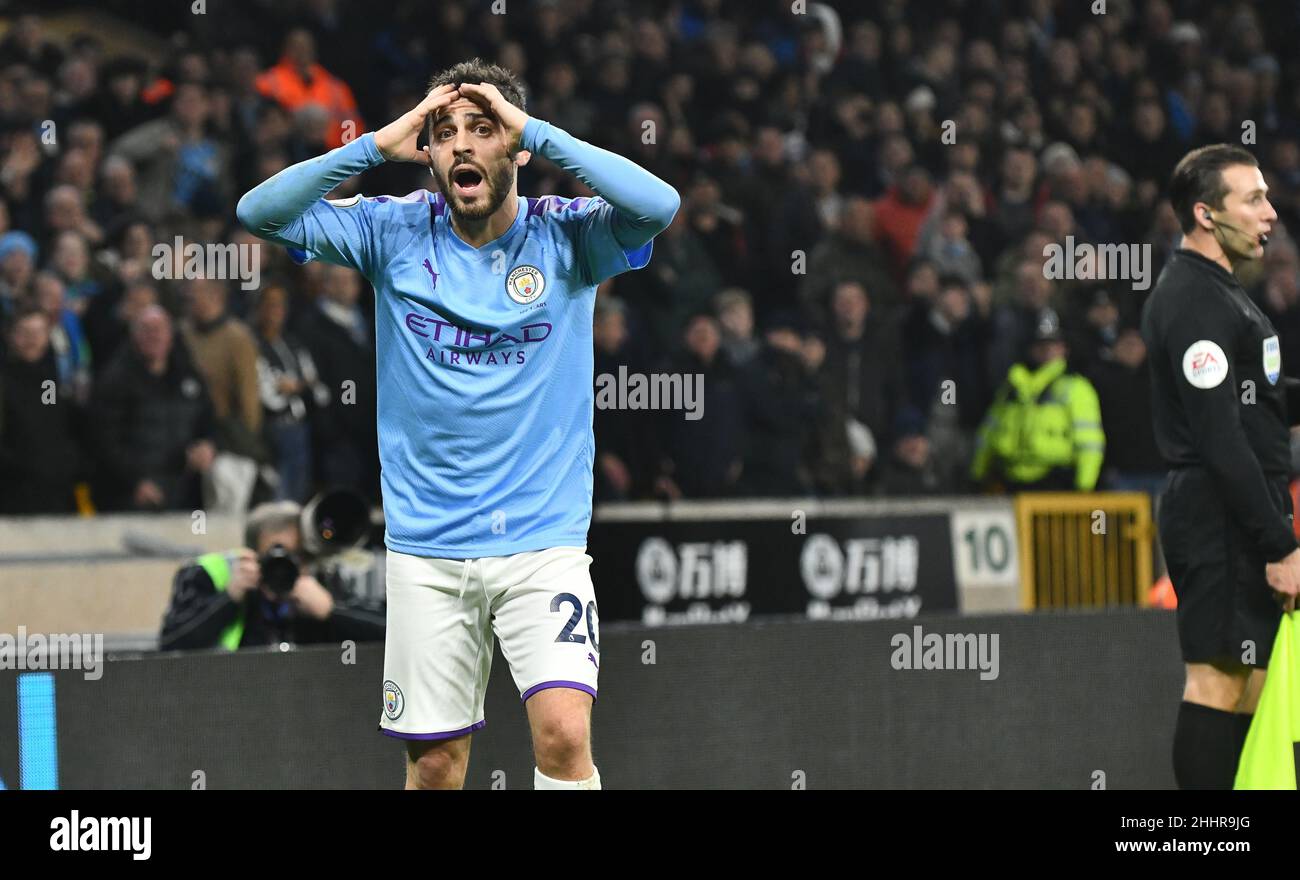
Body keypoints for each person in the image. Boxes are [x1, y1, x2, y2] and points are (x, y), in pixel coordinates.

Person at [238, 59, 679, 790]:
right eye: (445, 133)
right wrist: (375, 148)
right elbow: (260, 214)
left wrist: (535, 129)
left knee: (565, 735)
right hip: (427, 549)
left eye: (484, 128)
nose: (462, 146)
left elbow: (657, 205)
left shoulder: (567, 238)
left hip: (542, 542)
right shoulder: (392, 230)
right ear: (428, 151)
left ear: (514, 145)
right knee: (438, 766)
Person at [1140, 143, 1300, 790]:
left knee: (1252, 683)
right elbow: (1220, 438)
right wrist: (1280, 543)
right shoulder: (1192, 299)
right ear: (1206, 214)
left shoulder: (1227, 295)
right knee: (1216, 681)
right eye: (1253, 199)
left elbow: (1259, 400)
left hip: (1241, 505)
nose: (1270, 213)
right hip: (1217, 509)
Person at [159, 500, 384, 651]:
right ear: (251, 554)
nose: (285, 567)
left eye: (297, 556)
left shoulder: (322, 579)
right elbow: (170, 645)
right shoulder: (210, 574)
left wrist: (332, 612)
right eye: (275, 556)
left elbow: (390, 636)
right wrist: (229, 598)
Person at [971, 308, 1105, 492]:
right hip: (1008, 481)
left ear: (1064, 349)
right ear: (1031, 348)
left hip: (1055, 484)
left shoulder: (1076, 388)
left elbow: (1090, 442)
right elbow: (987, 434)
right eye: (1041, 344)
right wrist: (977, 474)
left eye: (1053, 344)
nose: (1047, 350)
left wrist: (1083, 487)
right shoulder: (1012, 386)